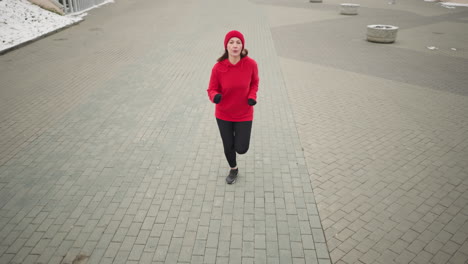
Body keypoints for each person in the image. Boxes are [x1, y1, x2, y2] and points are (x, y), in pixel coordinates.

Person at [207, 30, 259, 184]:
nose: (235, 45)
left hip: (244, 112)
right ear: (226, 46)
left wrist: (252, 96)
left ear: (242, 46)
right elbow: (211, 89)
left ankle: (237, 139)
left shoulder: (251, 64)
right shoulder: (218, 68)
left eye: (238, 42)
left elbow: (254, 83)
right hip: (224, 113)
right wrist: (215, 96)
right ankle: (233, 169)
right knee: (228, 145)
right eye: (231, 42)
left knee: (241, 148)